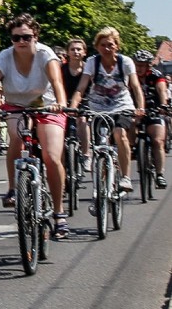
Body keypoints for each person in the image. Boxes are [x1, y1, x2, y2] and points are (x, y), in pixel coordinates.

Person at [0, 14, 70, 236]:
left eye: (26, 37)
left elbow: (57, 82)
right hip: (16, 105)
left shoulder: (46, 54)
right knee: (16, 139)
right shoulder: (5, 57)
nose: (21, 42)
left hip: (47, 106)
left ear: (35, 37)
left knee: (51, 156)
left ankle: (59, 213)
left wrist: (61, 103)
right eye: (16, 37)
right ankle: (12, 189)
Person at [69, 27, 145, 193]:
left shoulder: (125, 62)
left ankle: (125, 177)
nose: (107, 48)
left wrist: (140, 107)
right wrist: (73, 107)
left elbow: (135, 86)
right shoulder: (92, 62)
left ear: (117, 46)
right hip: (97, 107)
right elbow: (81, 88)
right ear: (97, 47)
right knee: (100, 145)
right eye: (103, 45)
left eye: (110, 45)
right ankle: (102, 188)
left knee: (119, 133)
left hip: (122, 105)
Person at [132, 49, 167, 188]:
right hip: (134, 110)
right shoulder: (129, 76)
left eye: (142, 65)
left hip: (153, 110)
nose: (139, 68)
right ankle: (133, 149)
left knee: (158, 141)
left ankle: (159, 174)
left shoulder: (156, 75)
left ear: (148, 66)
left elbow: (162, 90)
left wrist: (163, 105)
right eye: (137, 65)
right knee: (128, 126)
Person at [62, 37, 91, 171]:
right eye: (72, 49)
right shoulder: (61, 69)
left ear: (84, 52)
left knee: (82, 120)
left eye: (79, 49)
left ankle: (86, 154)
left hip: (85, 102)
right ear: (68, 52)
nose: (76, 52)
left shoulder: (89, 69)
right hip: (64, 102)